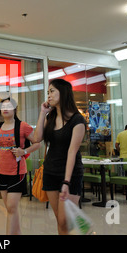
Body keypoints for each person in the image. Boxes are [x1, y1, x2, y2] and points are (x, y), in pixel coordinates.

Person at [33, 79, 86, 235]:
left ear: (63, 93)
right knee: (60, 222)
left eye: (52, 91)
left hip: (70, 174)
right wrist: (43, 113)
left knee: (67, 221)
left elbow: (72, 152)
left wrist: (66, 181)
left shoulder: (77, 120)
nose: (48, 95)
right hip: (50, 172)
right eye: (48, 92)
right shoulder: (51, 117)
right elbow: (37, 138)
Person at [0, 97, 40, 235]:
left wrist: (24, 151)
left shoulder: (22, 126)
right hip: (1, 171)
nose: (5, 109)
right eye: (3, 106)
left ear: (14, 109)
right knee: (10, 209)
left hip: (17, 172)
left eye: (9, 106)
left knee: (12, 208)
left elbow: (37, 143)